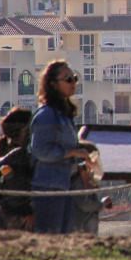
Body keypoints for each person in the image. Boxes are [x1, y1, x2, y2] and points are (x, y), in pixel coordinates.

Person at [29, 61, 92, 234]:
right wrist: (71, 152)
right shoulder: (46, 115)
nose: (73, 83)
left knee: (64, 236)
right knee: (49, 236)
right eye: (68, 79)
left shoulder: (64, 114)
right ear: (53, 84)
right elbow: (41, 150)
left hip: (65, 184)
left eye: (75, 78)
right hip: (48, 186)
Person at [0, 107, 35, 231]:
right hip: (20, 218)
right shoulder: (19, 156)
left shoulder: (5, 151)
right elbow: (19, 188)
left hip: (4, 213)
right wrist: (28, 212)